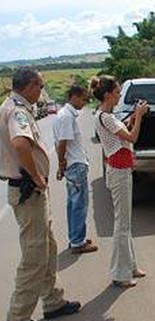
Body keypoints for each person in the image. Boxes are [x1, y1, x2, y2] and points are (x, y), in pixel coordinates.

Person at [0, 67, 80, 321]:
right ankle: (18, 316)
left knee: (47, 247)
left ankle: (53, 301)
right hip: (28, 190)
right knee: (35, 254)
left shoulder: (14, 106)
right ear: (30, 86)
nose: (42, 92)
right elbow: (21, 144)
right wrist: (36, 175)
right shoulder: (17, 110)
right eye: (41, 86)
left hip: (32, 190)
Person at [90, 75, 148, 288]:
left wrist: (132, 117)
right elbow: (132, 137)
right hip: (119, 171)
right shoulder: (106, 117)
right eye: (116, 92)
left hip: (119, 169)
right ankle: (120, 274)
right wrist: (139, 116)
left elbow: (121, 133)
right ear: (107, 95)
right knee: (122, 224)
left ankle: (130, 266)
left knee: (125, 222)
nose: (119, 96)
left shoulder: (104, 116)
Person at [53, 85, 98, 254]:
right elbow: (62, 143)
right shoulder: (66, 117)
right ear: (75, 97)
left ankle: (76, 237)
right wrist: (61, 164)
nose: (85, 103)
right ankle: (78, 242)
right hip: (75, 165)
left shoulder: (64, 115)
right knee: (79, 204)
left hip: (72, 165)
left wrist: (62, 165)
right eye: (84, 99)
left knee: (73, 204)